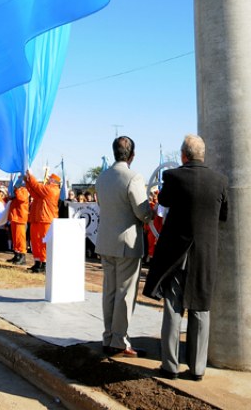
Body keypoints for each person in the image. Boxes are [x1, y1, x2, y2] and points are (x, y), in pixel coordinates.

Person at [143, 134, 228, 381]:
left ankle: (170, 366)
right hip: (205, 254)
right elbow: (224, 216)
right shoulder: (220, 180)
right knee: (201, 308)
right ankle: (197, 368)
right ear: (203, 155)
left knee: (173, 307)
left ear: (183, 155)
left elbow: (165, 201)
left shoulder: (174, 176)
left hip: (176, 255)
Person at [95, 135, 150, 357]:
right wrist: (150, 212)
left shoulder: (101, 178)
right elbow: (143, 212)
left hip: (105, 241)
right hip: (126, 243)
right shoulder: (133, 177)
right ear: (132, 155)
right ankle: (120, 340)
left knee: (109, 291)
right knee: (125, 293)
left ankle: (108, 336)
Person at [24, 170, 61, 273]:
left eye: (50, 179)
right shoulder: (46, 190)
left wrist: (30, 176)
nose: (48, 179)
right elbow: (34, 193)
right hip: (38, 218)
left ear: (54, 181)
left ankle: (44, 264)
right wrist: (27, 182)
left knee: (44, 243)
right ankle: (37, 262)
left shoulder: (52, 190)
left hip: (46, 219)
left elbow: (37, 187)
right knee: (35, 242)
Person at [7, 177, 29, 265]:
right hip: (15, 217)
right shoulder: (18, 191)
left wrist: (16, 189)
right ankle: (16, 255)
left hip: (20, 218)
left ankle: (22, 256)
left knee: (20, 239)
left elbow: (21, 198)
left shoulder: (24, 190)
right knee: (15, 238)